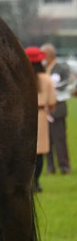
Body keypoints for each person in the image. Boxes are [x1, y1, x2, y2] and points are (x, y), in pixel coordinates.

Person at [25, 46, 57, 193]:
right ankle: (36, 182)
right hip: (40, 116)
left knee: (25, 152)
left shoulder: (22, 77)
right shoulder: (46, 79)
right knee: (39, 153)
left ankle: (26, 181)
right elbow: (52, 102)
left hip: (23, 114)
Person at [40, 43, 72, 174]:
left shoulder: (61, 68)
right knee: (47, 141)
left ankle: (64, 166)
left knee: (59, 139)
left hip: (57, 109)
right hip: (44, 110)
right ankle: (50, 167)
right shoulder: (42, 69)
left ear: (48, 55)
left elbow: (64, 85)